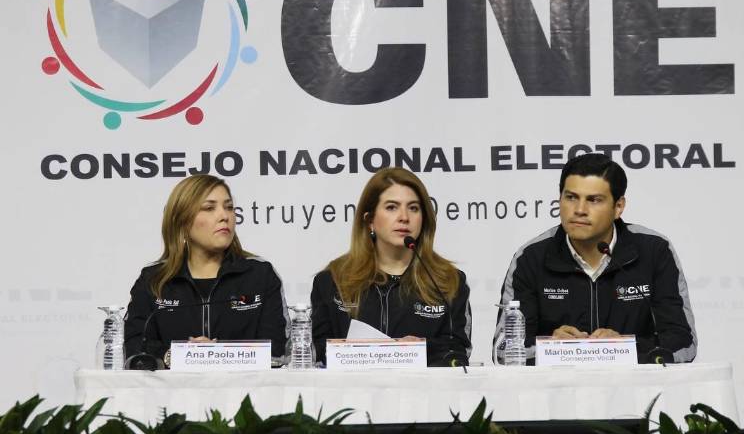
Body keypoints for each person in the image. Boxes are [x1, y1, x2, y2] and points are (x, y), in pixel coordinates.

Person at [494, 153, 697, 364]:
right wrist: (551, 347)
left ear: (618, 207)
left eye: (594, 200)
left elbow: (683, 342)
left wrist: (625, 348)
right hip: (556, 392)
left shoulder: (654, 251)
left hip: (637, 391)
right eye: (571, 197)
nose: (580, 210)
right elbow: (503, 351)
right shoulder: (531, 257)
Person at [124, 174, 289, 368]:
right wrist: (174, 356)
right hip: (170, 397)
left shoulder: (260, 275)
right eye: (209, 208)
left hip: (245, 395)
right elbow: (133, 346)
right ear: (183, 222)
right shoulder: (153, 279)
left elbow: (278, 351)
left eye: (228, 207)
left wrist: (217, 355)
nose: (224, 216)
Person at [311, 167, 472, 367]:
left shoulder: (448, 281)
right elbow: (314, 354)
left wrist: (419, 350)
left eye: (413, 208)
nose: (404, 217)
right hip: (350, 396)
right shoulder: (333, 280)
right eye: (391, 207)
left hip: (426, 395)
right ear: (370, 220)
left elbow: (458, 353)